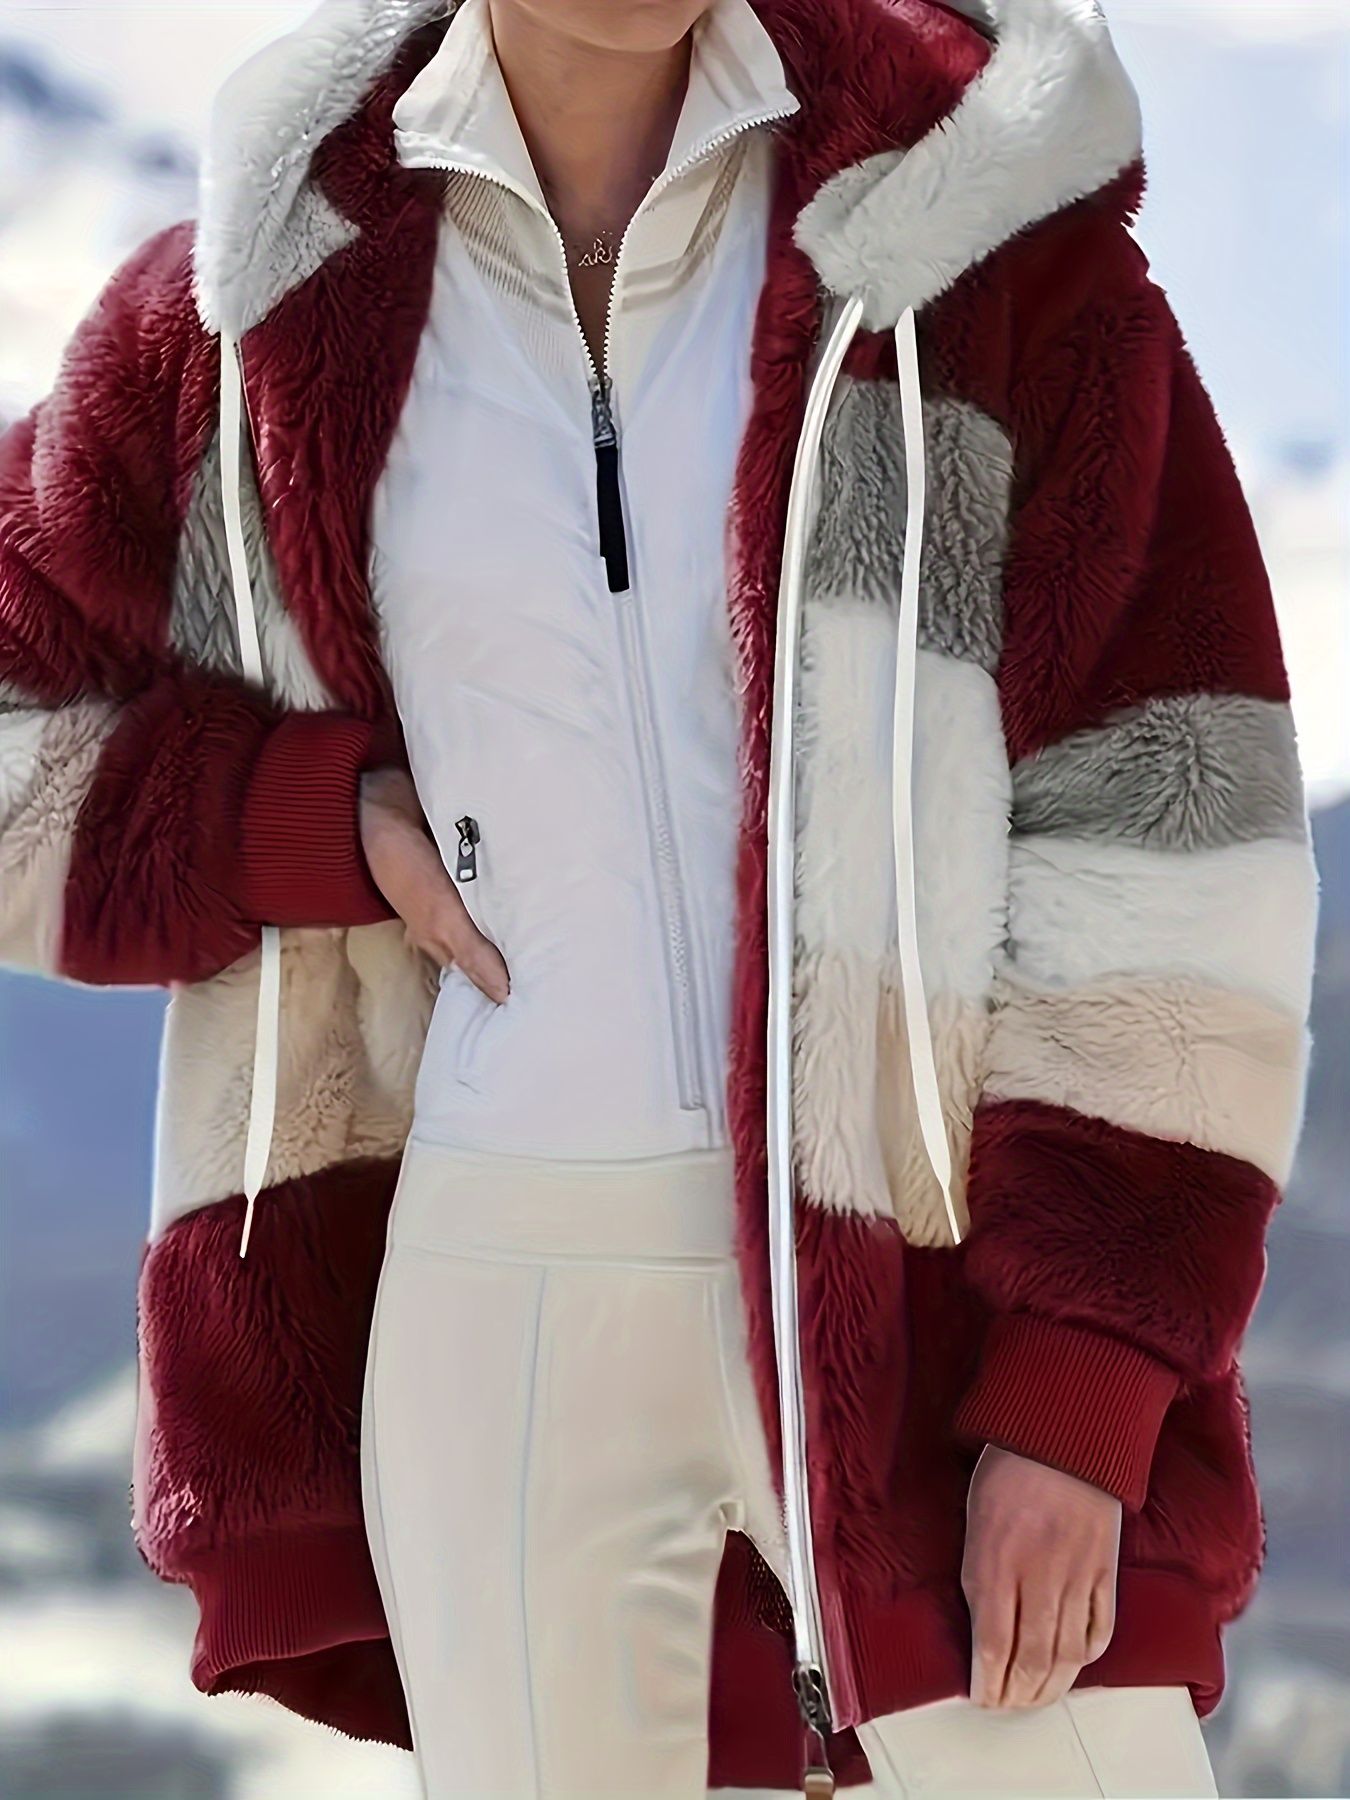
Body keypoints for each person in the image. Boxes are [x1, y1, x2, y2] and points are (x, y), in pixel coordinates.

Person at [0, 0, 1319, 1795]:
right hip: (502, 1300)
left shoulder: (967, 227)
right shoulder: (255, 311)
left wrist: (1083, 1375)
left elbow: (1171, 813)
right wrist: (293, 819)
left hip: (925, 1293)